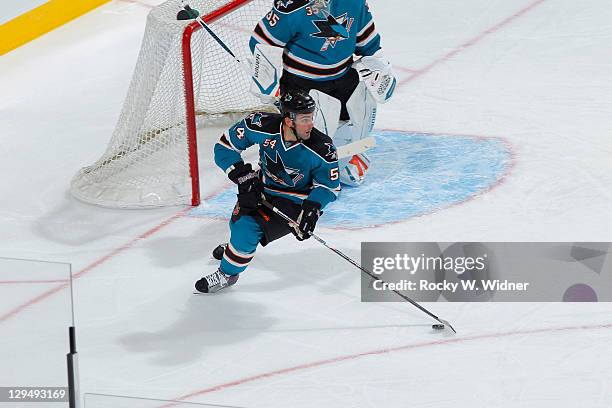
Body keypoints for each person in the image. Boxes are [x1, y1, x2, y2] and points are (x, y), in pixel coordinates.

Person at [195, 91, 340, 293]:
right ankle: (234, 250)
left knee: (246, 229)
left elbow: (329, 186)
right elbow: (224, 146)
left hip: (294, 202)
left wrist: (312, 209)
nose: (310, 124)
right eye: (305, 119)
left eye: (311, 117)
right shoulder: (261, 125)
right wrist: (243, 176)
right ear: (289, 120)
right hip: (261, 188)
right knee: (236, 224)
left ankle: (228, 274)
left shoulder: (322, 147)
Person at [248, 0, 395, 186]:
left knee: (361, 106)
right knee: (306, 131)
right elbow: (261, 43)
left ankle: (350, 156)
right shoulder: (293, 7)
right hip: (301, 84)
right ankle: (297, 163)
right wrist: (267, 78)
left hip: (343, 76)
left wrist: (379, 68)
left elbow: (368, 44)